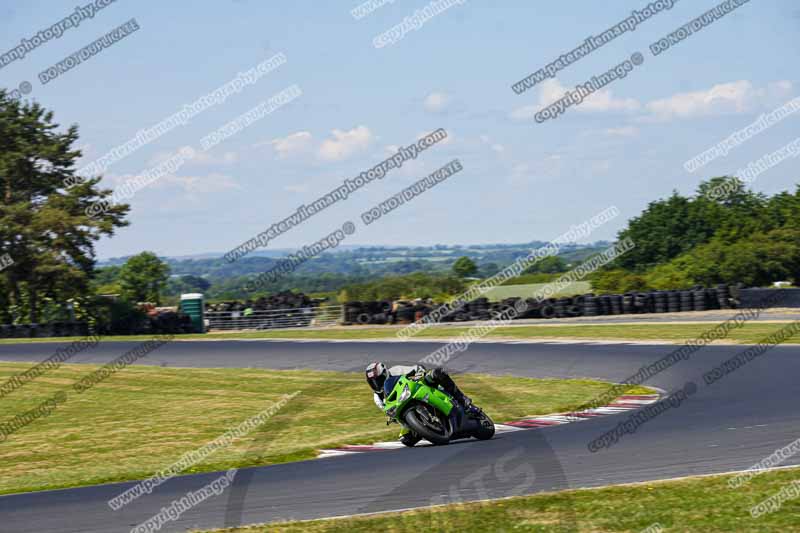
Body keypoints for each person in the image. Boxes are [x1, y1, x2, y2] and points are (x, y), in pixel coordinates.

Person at [365, 361, 475, 446]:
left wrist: (419, 373)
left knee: (438, 373)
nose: (377, 384)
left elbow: (418, 368)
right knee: (406, 439)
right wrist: (392, 416)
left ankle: (462, 400)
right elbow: (387, 410)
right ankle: (428, 429)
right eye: (373, 383)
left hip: (417, 387)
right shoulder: (377, 398)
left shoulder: (396, 370)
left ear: (386, 373)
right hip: (402, 407)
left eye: (379, 380)